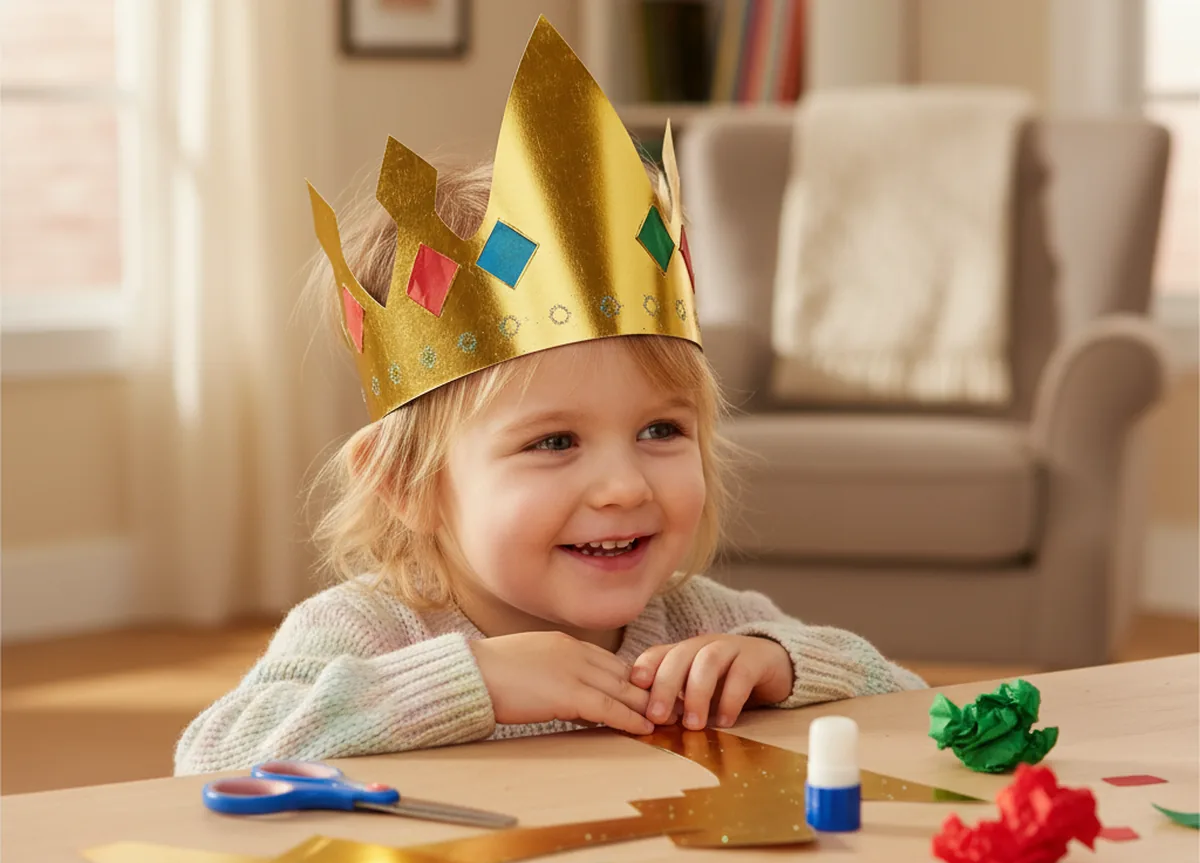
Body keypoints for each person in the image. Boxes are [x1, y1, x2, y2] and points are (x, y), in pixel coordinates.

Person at [174, 19, 924, 777]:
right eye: (555, 442)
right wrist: (471, 683)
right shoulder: (369, 633)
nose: (625, 485)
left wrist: (780, 664)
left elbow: (910, 703)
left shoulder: (701, 620)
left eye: (661, 429)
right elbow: (213, 756)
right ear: (405, 483)